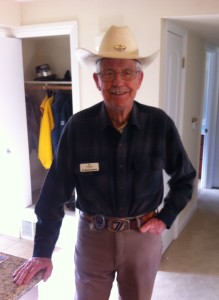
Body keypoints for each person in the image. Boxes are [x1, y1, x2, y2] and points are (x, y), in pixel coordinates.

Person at [13, 25, 196, 300]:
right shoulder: (78, 127)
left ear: (139, 79)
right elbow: (53, 193)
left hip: (142, 238)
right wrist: (42, 252)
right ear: (97, 81)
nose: (118, 81)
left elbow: (184, 179)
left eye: (126, 72)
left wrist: (165, 218)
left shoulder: (159, 124)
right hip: (92, 240)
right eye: (108, 73)